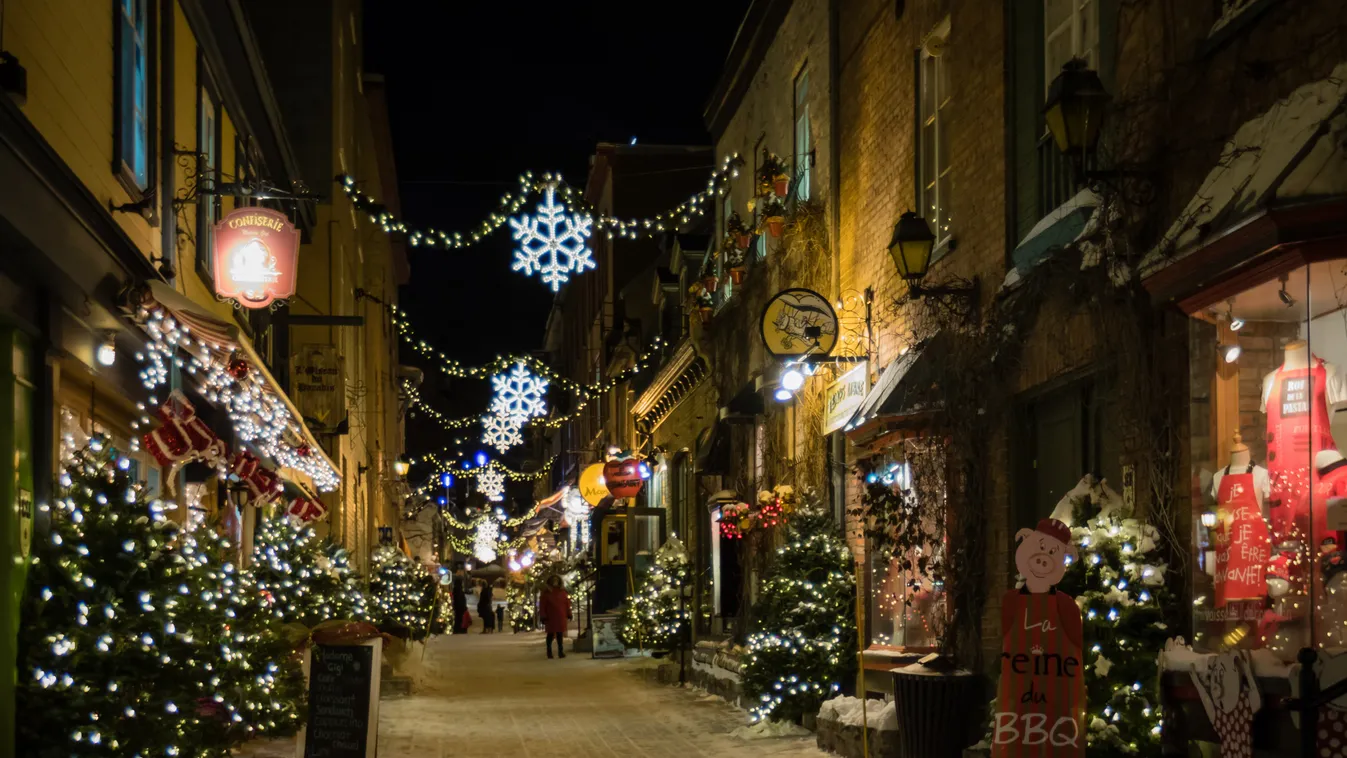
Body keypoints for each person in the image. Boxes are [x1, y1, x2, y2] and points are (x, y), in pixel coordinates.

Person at [539, 574, 572, 658]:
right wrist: (543, 616)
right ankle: (549, 651)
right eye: (553, 580)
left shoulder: (563, 592)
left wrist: (569, 613)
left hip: (560, 616)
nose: (555, 582)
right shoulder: (546, 593)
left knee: (560, 634)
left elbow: (567, 604)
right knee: (550, 634)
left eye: (556, 580)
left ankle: (560, 651)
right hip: (551, 617)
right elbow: (542, 605)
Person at [451, 569, 468, 634]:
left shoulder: (457, 589)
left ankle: (458, 629)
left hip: (458, 606)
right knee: (459, 618)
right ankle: (458, 629)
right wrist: (463, 606)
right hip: (459, 607)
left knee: (458, 618)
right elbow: (460, 599)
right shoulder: (458, 589)